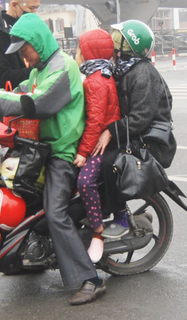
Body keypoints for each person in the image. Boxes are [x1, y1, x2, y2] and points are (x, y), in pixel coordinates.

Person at [0, 13, 106, 306]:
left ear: (38, 42)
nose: (25, 57)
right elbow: (26, 91)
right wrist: (3, 97)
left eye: (26, 50)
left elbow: (38, 104)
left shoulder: (63, 67)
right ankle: (23, 258)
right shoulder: (40, 68)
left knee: (55, 211)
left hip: (61, 152)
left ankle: (91, 279)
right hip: (39, 146)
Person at [97, 20, 175, 239]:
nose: (113, 43)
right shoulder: (122, 69)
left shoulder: (142, 73)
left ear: (129, 48)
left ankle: (120, 216)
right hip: (132, 134)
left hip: (148, 141)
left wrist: (111, 131)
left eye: (118, 40)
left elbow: (140, 118)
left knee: (109, 163)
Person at [73, 29, 121, 263]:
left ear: (88, 52)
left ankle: (97, 230)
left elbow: (95, 122)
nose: (76, 53)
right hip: (99, 139)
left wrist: (82, 153)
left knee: (84, 181)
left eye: (79, 48)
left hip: (104, 146)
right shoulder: (100, 74)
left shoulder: (96, 81)